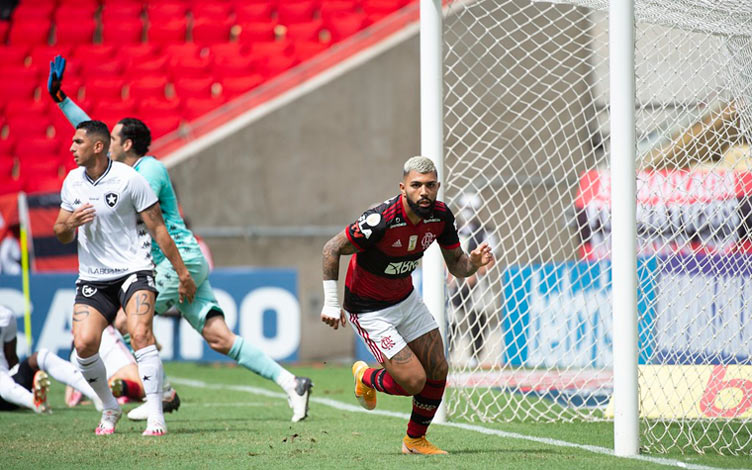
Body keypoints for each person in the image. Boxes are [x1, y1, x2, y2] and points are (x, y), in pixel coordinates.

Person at [48, 55, 313, 423]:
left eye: (112, 139)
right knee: (219, 337)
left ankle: (165, 394)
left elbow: (150, 219)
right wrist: (62, 100)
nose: (105, 143)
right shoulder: (125, 167)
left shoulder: (146, 171)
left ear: (126, 145)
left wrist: (179, 271)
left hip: (176, 262)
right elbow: (89, 133)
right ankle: (292, 383)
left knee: (125, 323)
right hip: (182, 262)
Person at [320, 156, 494, 455]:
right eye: (416, 185)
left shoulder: (440, 217)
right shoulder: (380, 220)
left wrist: (473, 264)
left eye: (429, 185)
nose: (423, 192)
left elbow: (457, 266)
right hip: (368, 309)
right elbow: (332, 248)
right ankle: (365, 376)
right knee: (414, 381)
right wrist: (332, 303)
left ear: (437, 187)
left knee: (438, 367)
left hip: (406, 300)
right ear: (403, 188)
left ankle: (414, 441)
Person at [53, 120, 197, 436]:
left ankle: (156, 415)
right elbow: (60, 231)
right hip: (93, 277)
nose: (71, 148)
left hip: (135, 270)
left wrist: (183, 273)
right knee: (84, 344)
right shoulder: (72, 182)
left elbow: (159, 228)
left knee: (140, 332)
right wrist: (71, 223)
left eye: (78, 142)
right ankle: (110, 406)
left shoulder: (130, 180)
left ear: (98, 146)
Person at [0, 305, 102, 413]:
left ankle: (97, 394)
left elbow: (11, 357)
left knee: (42, 356)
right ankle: (33, 401)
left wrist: (20, 378)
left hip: (8, 392)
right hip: (4, 387)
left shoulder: (5, 315)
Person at [448, 192, 497, 366]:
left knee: (477, 316)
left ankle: (474, 355)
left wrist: (475, 272)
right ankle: (448, 353)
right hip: (457, 279)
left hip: (478, 281)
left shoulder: (486, 232)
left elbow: (490, 259)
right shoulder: (454, 230)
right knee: (452, 318)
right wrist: (452, 275)